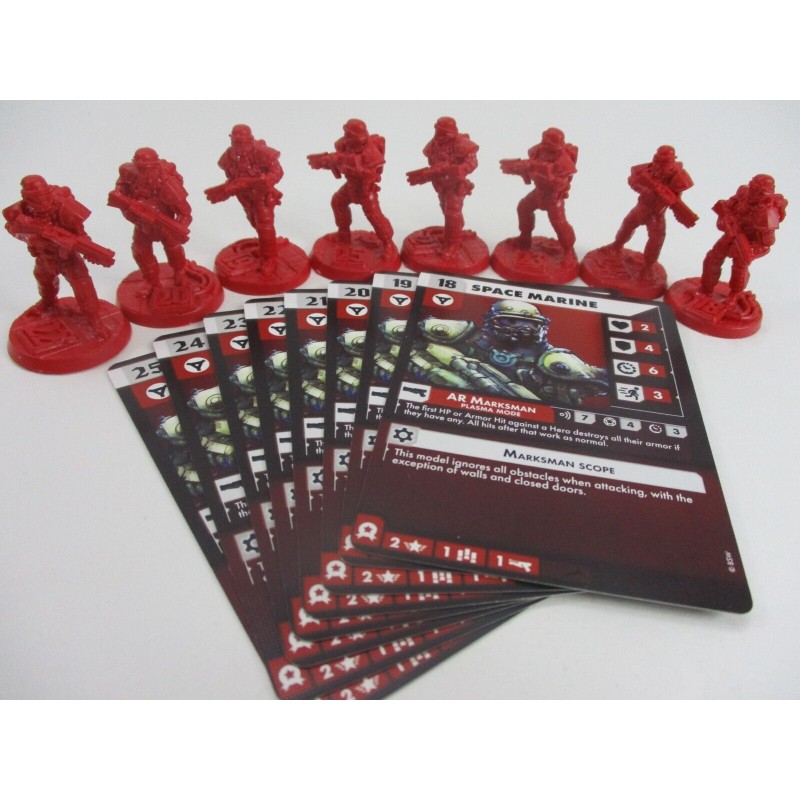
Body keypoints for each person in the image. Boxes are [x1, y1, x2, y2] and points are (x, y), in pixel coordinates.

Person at [109, 147, 192, 289]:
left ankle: (180, 272)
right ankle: (152, 281)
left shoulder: (167, 183)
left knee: (173, 249)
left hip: (164, 223)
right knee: (140, 251)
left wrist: (178, 228)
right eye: (140, 168)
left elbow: (185, 212)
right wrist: (129, 210)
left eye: (148, 169)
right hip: (142, 225)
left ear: (156, 166)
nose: (144, 173)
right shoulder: (128, 175)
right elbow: (118, 194)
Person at [207, 124, 284, 261]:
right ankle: (268, 244)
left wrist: (259, 182)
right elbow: (231, 175)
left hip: (262, 194)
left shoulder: (261, 152)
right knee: (254, 220)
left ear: (250, 140)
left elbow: (277, 172)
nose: (238, 145)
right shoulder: (230, 154)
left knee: (264, 224)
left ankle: (269, 258)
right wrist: (229, 189)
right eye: (235, 141)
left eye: (241, 142)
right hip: (243, 195)